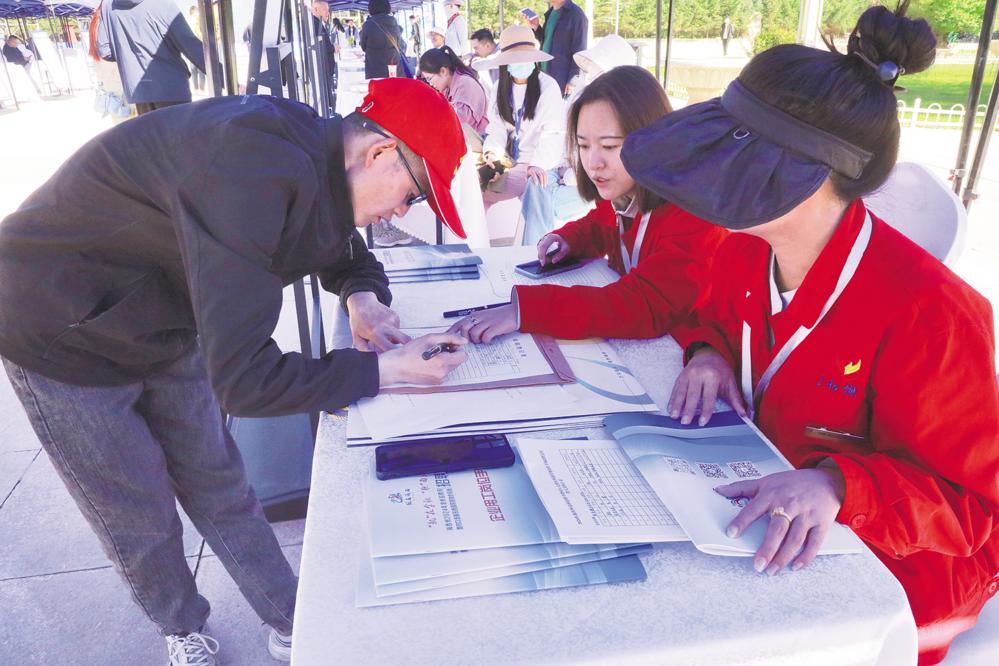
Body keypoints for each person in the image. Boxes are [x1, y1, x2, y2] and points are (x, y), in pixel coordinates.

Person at [0, 78, 470, 666]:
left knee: (220, 482)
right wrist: (380, 372)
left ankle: (291, 617)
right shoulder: (247, 170)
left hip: (163, 316)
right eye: (414, 195)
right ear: (379, 153)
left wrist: (363, 297)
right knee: (138, 512)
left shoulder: (320, 155)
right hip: (57, 328)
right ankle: (181, 625)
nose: (401, 211)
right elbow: (246, 381)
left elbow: (341, 245)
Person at [632, 6, 999, 663]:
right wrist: (708, 353)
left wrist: (838, 485)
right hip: (762, 521)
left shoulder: (934, 315)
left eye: (738, 157)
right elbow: (711, 316)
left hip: (896, 579)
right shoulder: (746, 247)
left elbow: (972, 508)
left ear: (815, 174)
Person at [449, 66, 728, 343]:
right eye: (583, 146)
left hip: (690, 351)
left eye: (609, 146)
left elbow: (642, 305)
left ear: (654, 140)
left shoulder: (694, 213)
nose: (593, 163)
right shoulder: (623, 193)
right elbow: (599, 225)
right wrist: (568, 239)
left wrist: (527, 310)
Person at [519, 33, 639, 245]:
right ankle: (537, 247)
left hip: (594, 184)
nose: (593, 73)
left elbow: (612, 167)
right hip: (568, 174)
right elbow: (563, 141)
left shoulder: (626, 111)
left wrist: (576, 175)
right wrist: (549, 167)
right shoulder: (579, 98)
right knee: (536, 186)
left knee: (541, 202)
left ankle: (535, 248)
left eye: (599, 67)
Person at [478, 24, 565, 209]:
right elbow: (497, 127)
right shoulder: (499, 87)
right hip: (508, 161)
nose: (521, 62)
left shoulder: (548, 86)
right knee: (476, 191)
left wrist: (538, 164)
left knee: (533, 200)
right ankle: (473, 231)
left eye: (526, 57)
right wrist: (493, 154)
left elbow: (553, 133)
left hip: (537, 164)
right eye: (515, 59)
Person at [96, 0, 207, 115]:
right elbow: (189, 44)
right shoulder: (162, 4)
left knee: (150, 127)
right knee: (180, 126)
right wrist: (219, 74)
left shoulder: (107, 5)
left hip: (140, 92)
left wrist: (128, 57)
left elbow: (104, 50)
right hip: (172, 87)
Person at [522, 0, 587, 96]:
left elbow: (580, 51)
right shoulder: (550, 13)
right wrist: (536, 27)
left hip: (563, 82)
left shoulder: (577, 15)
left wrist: (573, 80)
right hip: (545, 78)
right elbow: (548, 41)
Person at [419, 46, 488, 135]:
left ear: (443, 71)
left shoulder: (464, 83)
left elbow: (459, 121)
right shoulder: (447, 88)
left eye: (429, 78)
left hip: (480, 139)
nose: (430, 83)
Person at [359, 0, 402, 79]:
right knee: (394, 85)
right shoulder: (394, 22)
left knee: (377, 86)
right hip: (392, 65)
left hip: (374, 67)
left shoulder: (367, 24)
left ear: (371, 8)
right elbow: (399, 44)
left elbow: (363, 46)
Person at [186, 5, 205, 92]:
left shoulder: (187, 21)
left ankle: (196, 88)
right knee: (200, 68)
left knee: (193, 69)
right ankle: (201, 88)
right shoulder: (198, 20)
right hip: (198, 45)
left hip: (190, 47)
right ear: (194, 12)